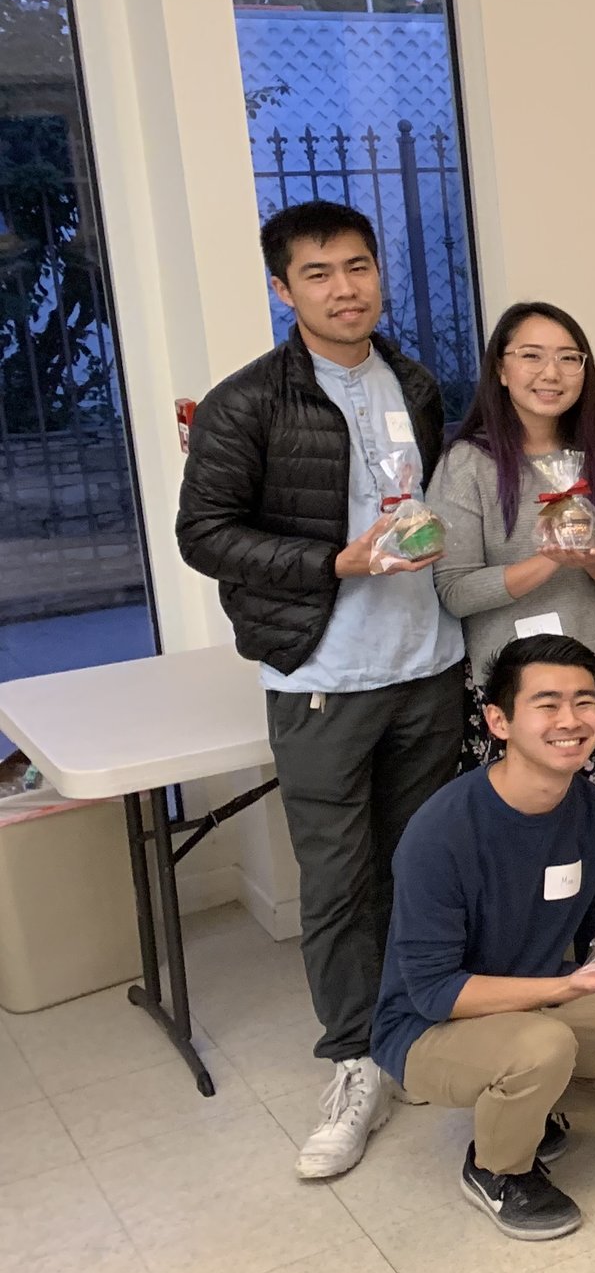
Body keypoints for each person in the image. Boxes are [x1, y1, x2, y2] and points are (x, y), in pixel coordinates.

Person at [175, 200, 468, 1182]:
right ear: (282, 288)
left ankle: (422, 1024)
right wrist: (333, 561)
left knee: (420, 862)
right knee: (339, 878)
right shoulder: (246, 402)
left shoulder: (417, 381)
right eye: (318, 273)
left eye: (358, 266)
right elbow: (203, 535)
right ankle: (351, 1061)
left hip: (429, 664)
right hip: (322, 677)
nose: (346, 288)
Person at [375, 635, 595, 1240]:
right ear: (499, 721)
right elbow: (436, 993)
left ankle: (528, 1100)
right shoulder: (440, 833)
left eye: (585, 702)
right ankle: (497, 1168)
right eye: (546, 704)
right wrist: (567, 986)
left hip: (541, 1002)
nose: (570, 721)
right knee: (542, 1046)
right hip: (424, 1029)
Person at [431, 302, 595, 788]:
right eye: (531, 356)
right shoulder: (467, 464)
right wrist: (547, 562)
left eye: (569, 358)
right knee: (523, 832)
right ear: (501, 368)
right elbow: (454, 590)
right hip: (516, 688)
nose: (551, 373)